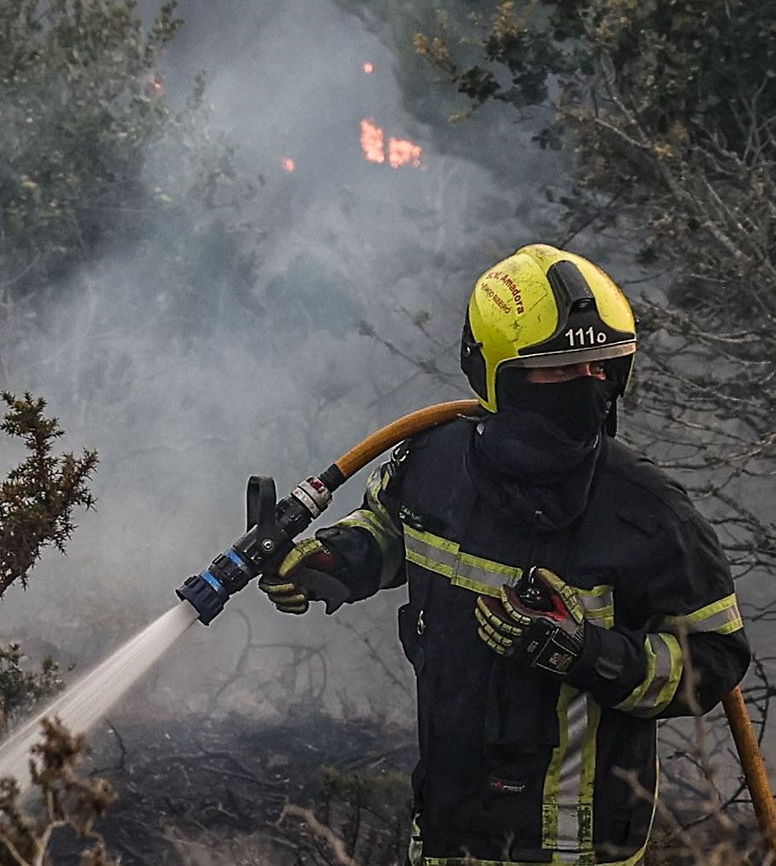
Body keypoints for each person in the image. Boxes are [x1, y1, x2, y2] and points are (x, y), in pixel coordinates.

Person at [259, 244, 750, 864]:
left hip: (575, 852)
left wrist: (588, 653)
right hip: (445, 830)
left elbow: (715, 658)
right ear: (495, 374)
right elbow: (391, 528)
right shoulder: (433, 464)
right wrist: (334, 561)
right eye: (559, 370)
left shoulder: (650, 515)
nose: (586, 387)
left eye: (601, 368)